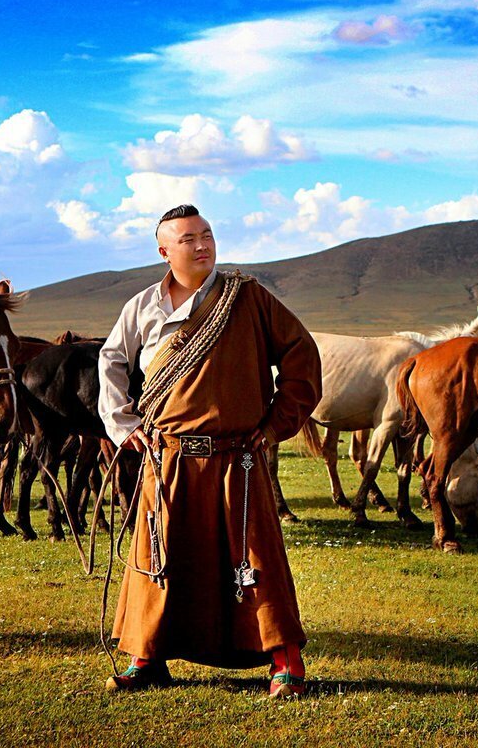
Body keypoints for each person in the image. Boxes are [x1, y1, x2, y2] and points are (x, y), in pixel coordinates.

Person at [98, 204, 322, 698]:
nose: (202, 245)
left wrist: (276, 423)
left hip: (237, 458)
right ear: (164, 251)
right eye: (188, 239)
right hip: (169, 456)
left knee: (254, 556)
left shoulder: (248, 299)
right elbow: (111, 359)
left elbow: (301, 354)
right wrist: (123, 424)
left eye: (207, 235)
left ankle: (286, 663)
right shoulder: (142, 306)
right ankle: (146, 659)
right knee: (159, 555)